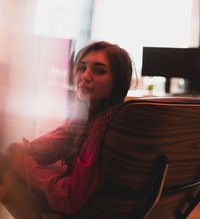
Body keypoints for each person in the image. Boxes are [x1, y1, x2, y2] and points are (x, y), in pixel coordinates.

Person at [0, 40, 134, 218]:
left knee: (6, 174)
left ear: (118, 81)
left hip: (88, 212)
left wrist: (24, 164)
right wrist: (27, 149)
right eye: (82, 68)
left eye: (99, 71)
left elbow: (68, 198)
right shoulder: (87, 116)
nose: (85, 76)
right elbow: (58, 139)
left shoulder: (105, 126)